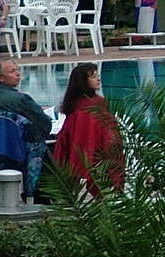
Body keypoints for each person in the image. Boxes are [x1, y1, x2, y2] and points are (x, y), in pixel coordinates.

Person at [0, 58, 55, 194]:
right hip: (22, 150)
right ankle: (41, 194)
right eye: (13, 71)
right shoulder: (22, 99)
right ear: (0, 77)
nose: (18, 74)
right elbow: (45, 125)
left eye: (18, 70)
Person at [51, 62, 122, 194]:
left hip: (76, 147)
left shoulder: (72, 104)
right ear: (83, 81)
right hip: (97, 147)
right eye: (93, 76)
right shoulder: (97, 103)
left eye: (97, 75)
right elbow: (107, 128)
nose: (98, 78)